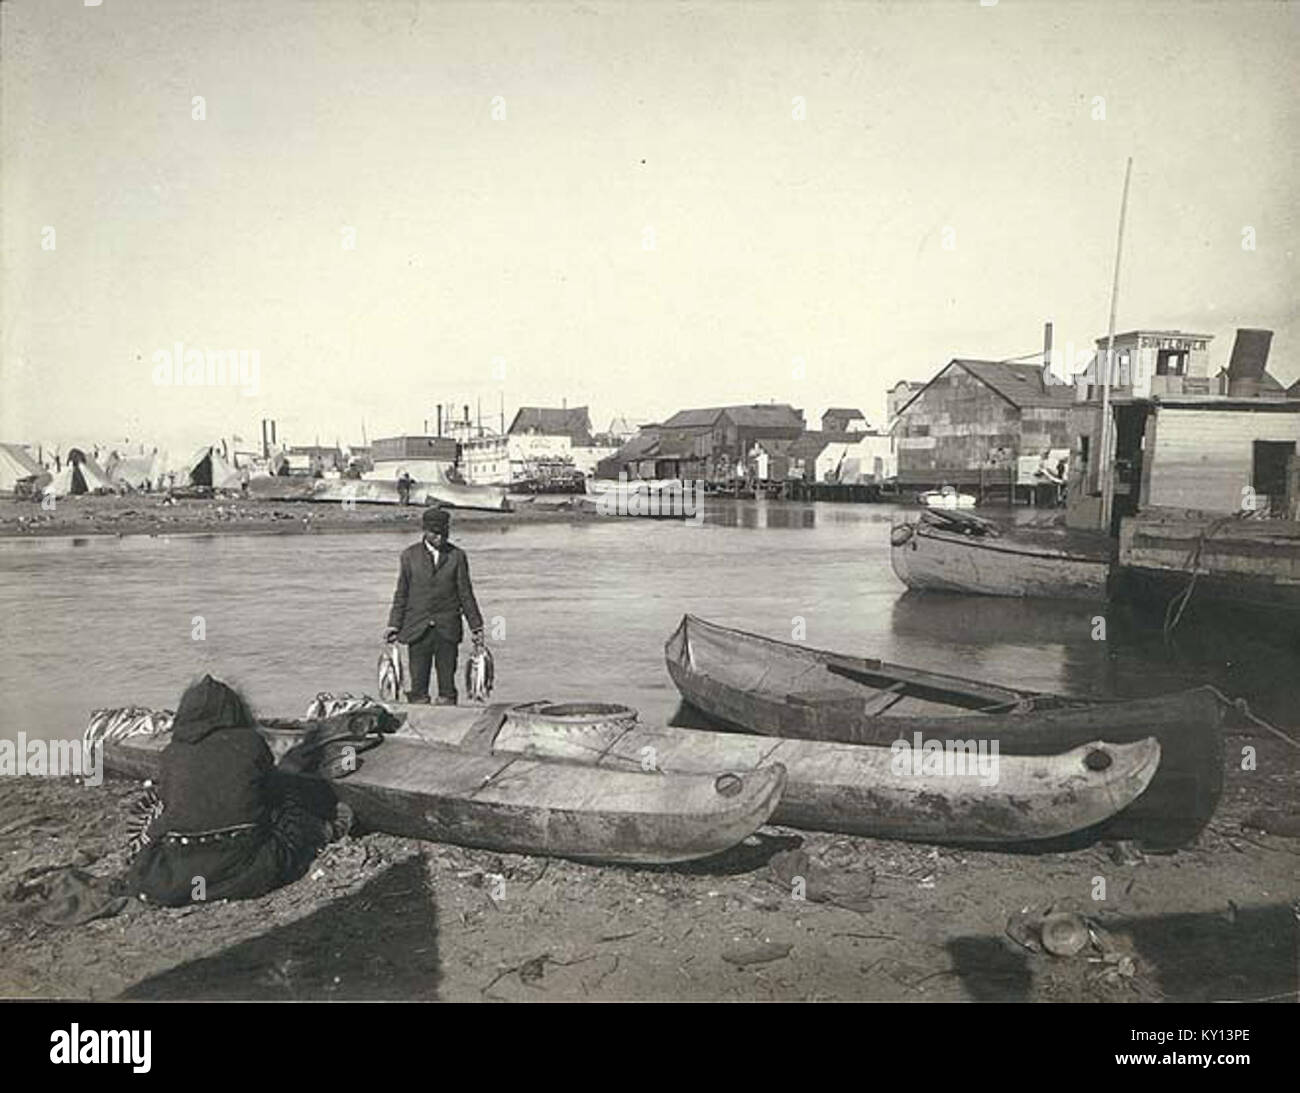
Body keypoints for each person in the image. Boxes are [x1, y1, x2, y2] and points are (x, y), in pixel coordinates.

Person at [123, 675, 339, 907]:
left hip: (182, 866)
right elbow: (272, 795)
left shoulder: (171, 754)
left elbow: (171, 804)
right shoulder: (251, 743)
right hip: (247, 864)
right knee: (293, 804)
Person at [385, 506, 484, 705]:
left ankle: (448, 722)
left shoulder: (457, 556)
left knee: (447, 685)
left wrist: (477, 627)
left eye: (444, 533)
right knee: (418, 685)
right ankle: (418, 719)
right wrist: (394, 624)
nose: (440, 537)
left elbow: (466, 594)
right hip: (417, 629)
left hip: (447, 629)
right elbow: (401, 594)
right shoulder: (409, 556)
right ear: (426, 531)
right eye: (436, 533)